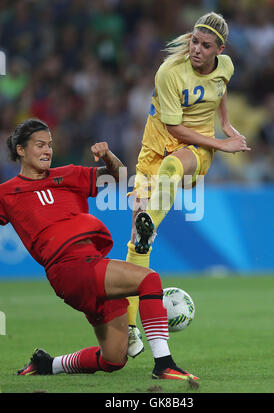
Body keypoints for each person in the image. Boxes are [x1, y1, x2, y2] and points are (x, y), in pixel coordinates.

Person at [0, 118, 198, 381]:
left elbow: (122, 176)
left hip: (87, 267)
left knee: (114, 359)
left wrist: (107, 155)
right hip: (70, 267)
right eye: (39, 145)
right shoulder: (6, 193)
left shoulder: (68, 174)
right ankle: (164, 364)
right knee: (149, 280)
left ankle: (48, 364)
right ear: (21, 150)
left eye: (50, 144)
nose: (47, 150)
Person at [126, 11, 251, 356]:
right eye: (194, 41)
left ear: (218, 49)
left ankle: (150, 222)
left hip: (196, 151)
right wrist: (225, 143)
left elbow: (219, 89)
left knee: (172, 167)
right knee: (137, 246)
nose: (196, 49)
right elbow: (173, 128)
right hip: (152, 152)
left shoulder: (226, 66)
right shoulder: (169, 73)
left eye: (205, 45)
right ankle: (131, 328)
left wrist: (225, 127)